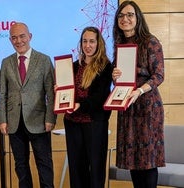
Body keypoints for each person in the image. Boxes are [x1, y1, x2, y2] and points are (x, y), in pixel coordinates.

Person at [111, 1, 165, 188]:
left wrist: (140, 91)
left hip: (147, 106)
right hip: (128, 107)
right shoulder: (119, 45)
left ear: (138, 17)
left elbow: (159, 75)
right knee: (134, 160)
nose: (125, 19)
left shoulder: (150, 41)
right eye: (121, 16)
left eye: (129, 15)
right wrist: (115, 77)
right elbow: (122, 80)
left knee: (147, 160)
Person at [0, 22, 56, 188]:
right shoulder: (6, 62)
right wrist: (3, 120)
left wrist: (50, 118)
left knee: (44, 164)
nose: (19, 41)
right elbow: (3, 93)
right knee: (20, 166)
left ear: (30, 36)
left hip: (39, 122)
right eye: (14, 38)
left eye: (22, 36)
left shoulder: (44, 60)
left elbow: (50, 93)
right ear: (10, 40)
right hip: (14, 123)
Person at [62, 26, 113, 188]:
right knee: (76, 170)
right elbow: (67, 92)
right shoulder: (74, 65)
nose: (88, 45)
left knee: (95, 170)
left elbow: (99, 97)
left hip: (94, 123)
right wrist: (60, 93)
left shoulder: (105, 67)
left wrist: (79, 105)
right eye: (85, 41)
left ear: (99, 44)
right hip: (72, 122)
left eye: (92, 41)